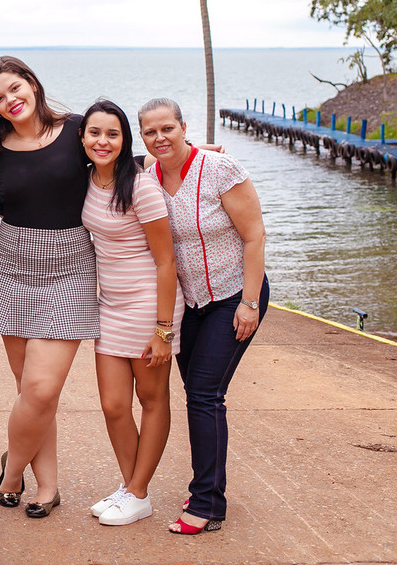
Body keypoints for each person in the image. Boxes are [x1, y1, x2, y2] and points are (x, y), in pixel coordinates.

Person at [137, 97, 268, 535]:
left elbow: (254, 236)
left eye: (167, 129)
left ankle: (208, 503)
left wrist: (249, 303)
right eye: (150, 132)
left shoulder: (219, 170)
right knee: (198, 393)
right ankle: (207, 491)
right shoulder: (147, 177)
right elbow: (100, 159)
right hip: (189, 304)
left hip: (234, 296)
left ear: (183, 127)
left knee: (204, 395)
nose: (160, 138)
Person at [0, 56, 99, 519]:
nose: (11, 101)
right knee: (31, 389)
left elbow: (121, 156)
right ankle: (47, 486)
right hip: (13, 263)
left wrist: (191, 152)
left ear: (32, 83)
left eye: (14, 88)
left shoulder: (77, 129)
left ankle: (11, 473)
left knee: (43, 390)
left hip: (70, 265)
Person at [78, 100, 183, 527]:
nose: (102, 141)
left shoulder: (140, 187)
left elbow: (166, 261)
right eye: (94, 133)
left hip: (147, 306)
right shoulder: (85, 179)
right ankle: (131, 488)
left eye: (112, 134)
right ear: (82, 138)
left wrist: (163, 331)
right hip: (110, 306)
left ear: (125, 140)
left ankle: (138, 491)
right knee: (114, 405)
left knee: (152, 399)